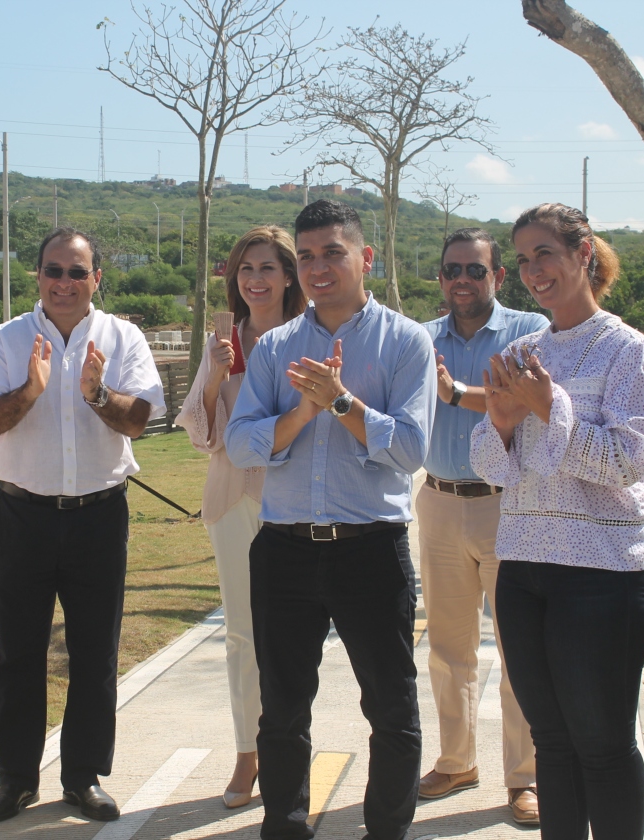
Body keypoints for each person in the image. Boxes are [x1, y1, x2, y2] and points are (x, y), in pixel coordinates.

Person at [226, 199, 435, 840]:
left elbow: (409, 449)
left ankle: (387, 831)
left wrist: (341, 401)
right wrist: (303, 413)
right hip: (285, 550)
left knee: (392, 708)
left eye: (332, 253)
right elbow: (240, 444)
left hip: (370, 549)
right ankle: (285, 828)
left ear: (364, 258)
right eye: (308, 255)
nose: (318, 268)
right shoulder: (276, 347)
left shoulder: (405, 341)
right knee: (282, 712)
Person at [471, 202, 644, 838]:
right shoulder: (523, 351)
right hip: (524, 568)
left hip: (602, 575)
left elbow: (628, 462)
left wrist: (551, 408)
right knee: (551, 743)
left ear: (584, 254)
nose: (533, 270)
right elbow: (494, 470)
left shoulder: (627, 350)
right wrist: (501, 424)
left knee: (602, 745)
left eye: (545, 254)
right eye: (523, 260)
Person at [0, 227, 165, 823]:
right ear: (39, 276)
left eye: (77, 272)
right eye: (54, 271)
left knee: (95, 653)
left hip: (98, 516)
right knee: (17, 654)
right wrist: (31, 389)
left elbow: (138, 420)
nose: (64, 283)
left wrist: (97, 393)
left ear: (95, 279)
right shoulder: (7, 340)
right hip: (22, 515)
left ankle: (83, 778)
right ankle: (17, 781)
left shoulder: (123, 337)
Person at [416, 228, 547, 825]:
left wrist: (453, 393)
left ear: (498, 275)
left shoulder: (528, 332)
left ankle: (525, 777)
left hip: (509, 505)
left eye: (475, 269)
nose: (462, 280)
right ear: (440, 278)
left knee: (520, 647)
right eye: (451, 270)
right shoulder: (421, 339)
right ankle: (456, 760)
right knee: (447, 646)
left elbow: (517, 403)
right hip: (439, 501)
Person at [176, 226, 306, 808]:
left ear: (289, 276)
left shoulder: (309, 337)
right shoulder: (220, 340)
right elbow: (202, 436)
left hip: (294, 501)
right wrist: (214, 377)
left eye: (267, 269)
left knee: (294, 638)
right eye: (246, 269)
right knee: (241, 635)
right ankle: (247, 753)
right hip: (231, 498)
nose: (255, 280)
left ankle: (289, 751)